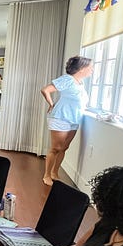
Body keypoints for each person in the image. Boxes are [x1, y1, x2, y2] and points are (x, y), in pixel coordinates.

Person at [40, 56, 93, 186]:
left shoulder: (80, 83)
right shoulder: (67, 79)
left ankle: (54, 173)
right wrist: (51, 104)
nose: (92, 70)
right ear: (81, 69)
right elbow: (45, 90)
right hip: (60, 117)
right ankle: (46, 175)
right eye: (90, 68)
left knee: (64, 148)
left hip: (74, 119)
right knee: (56, 148)